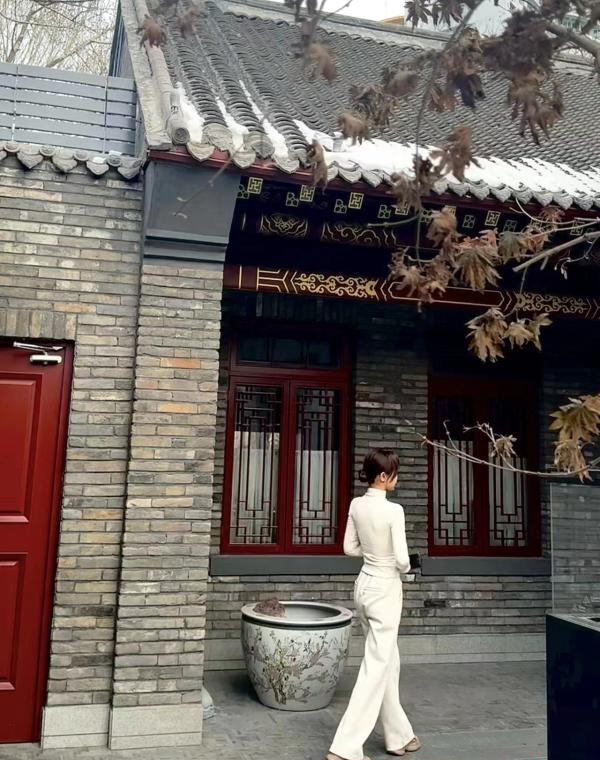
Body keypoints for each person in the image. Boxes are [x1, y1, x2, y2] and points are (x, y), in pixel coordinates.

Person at [327, 448, 421, 760]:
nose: (397, 478)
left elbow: (348, 548)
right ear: (383, 476)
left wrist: (373, 554)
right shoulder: (394, 511)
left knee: (388, 661)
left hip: (363, 586)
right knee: (376, 667)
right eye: (394, 473)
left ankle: (399, 736)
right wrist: (399, 563)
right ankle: (344, 748)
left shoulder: (356, 505)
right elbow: (403, 561)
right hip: (384, 589)